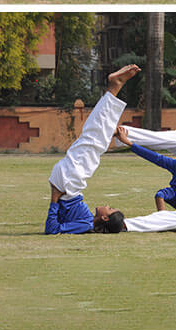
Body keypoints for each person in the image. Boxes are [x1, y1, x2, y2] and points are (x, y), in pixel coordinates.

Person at [43, 65, 139, 235]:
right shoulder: (85, 222)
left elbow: (52, 230)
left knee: (93, 142)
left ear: (105, 218)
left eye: (109, 209)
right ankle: (113, 90)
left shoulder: (86, 224)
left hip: (69, 182)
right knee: (94, 140)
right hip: (69, 183)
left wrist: (54, 199)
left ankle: (114, 86)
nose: (107, 205)